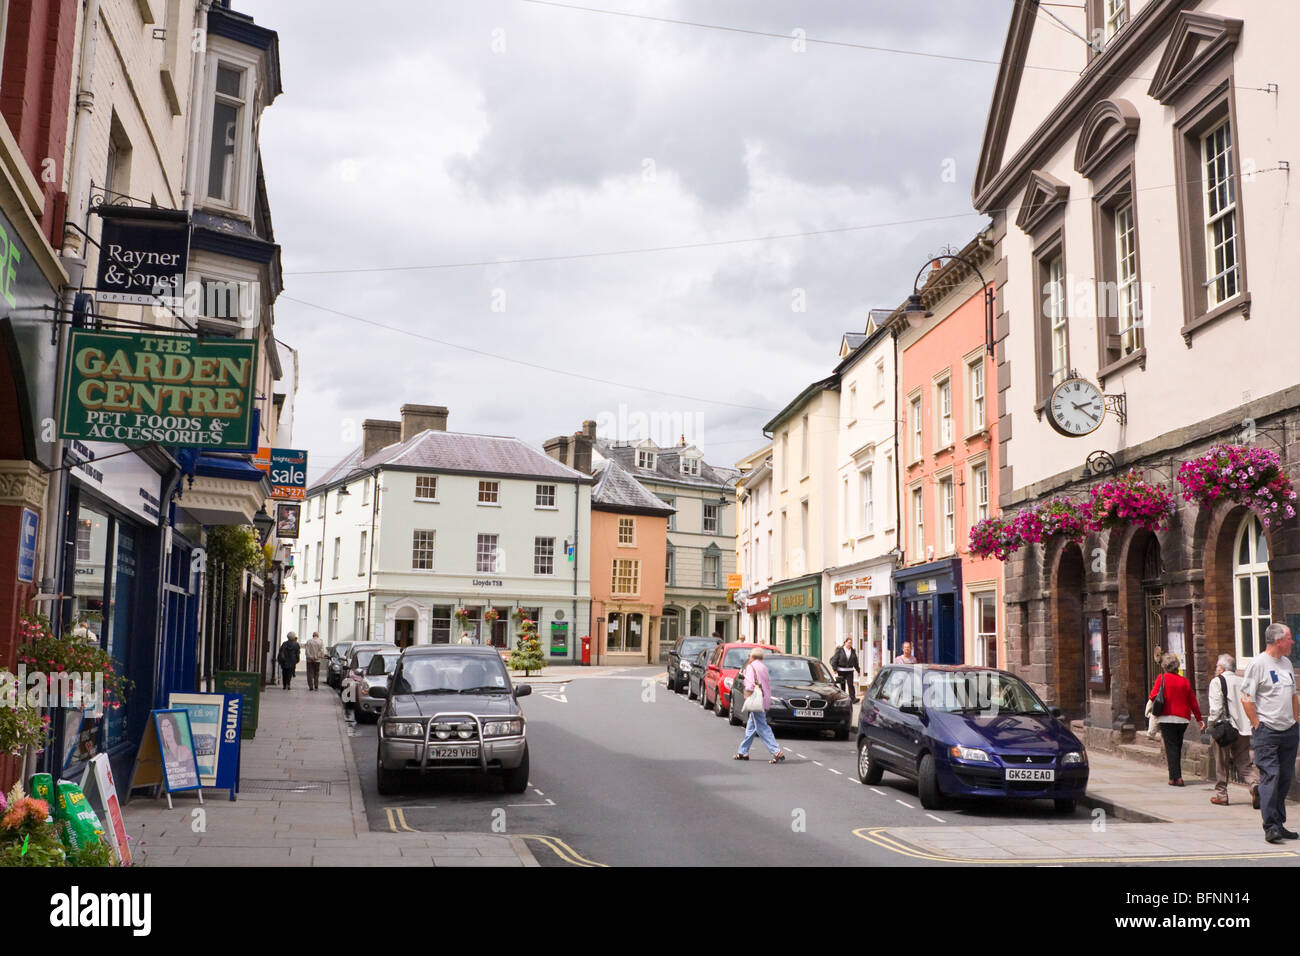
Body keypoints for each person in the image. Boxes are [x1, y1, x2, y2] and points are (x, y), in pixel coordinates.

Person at [1240, 623, 1299, 843]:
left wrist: (1295, 721)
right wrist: (1257, 724)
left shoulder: (1286, 663)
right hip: (1267, 732)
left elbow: (1293, 695)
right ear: (1277, 641)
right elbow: (1246, 697)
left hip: (1289, 730)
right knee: (1271, 777)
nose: (1292, 642)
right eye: (1289, 638)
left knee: (1284, 778)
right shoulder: (1258, 664)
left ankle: (1279, 822)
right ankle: (1270, 826)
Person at [1207, 653, 1258, 807]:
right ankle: (1255, 785)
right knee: (1244, 763)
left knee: (1221, 763)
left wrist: (1210, 724)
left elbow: (1216, 709)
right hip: (1244, 729)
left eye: (1217, 666)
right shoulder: (1243, 681)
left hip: (1225, 729)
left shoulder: (1217, 682)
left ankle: (1222, 795)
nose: (1216, 669)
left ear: (1221, 668)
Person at [1148, 653, 1203, 786]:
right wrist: (1199, 718)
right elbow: (1193, 701)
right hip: (1183, 720)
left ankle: (1176, 777)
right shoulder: (1184, 681)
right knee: (1177, 746)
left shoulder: (1162, 678)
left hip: (1167, 717)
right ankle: (1174, 776)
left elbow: (1152, 696)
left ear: (1164, 666)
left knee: (1171, 747)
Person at [733, 648, 785, 764]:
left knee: (762, 727)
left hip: (756, 700)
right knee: (751, 727)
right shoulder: (763, 667)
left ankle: (776, 751)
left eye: (749, 655)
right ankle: (743, 752)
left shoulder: (751, 667)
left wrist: (747, 697)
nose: (749, 657)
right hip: (765, 699)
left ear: (752, 656)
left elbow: (750, 685)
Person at [829, 636, 861, 704]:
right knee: (842, 684)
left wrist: (858, 670)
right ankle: (842, 698)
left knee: (850, 685)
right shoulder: (840, 650)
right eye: (848, 642)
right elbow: (835, 659)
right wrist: (834, 669)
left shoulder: (852, 651)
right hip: (841, 670)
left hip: (849, 670)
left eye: (851, 643)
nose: (850, 644)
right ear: (845, 643)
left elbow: (855, 661)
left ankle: (853, 698)